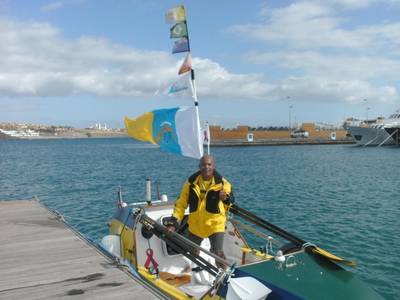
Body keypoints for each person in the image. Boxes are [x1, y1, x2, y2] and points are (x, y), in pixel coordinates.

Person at [166, 155, 234, 268]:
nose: (206, 167)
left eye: (209, 164)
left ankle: (224, 275)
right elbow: (181, 204)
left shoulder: (222, 183)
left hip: (215, 224)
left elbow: (231, 201)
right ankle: (194, 269)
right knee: (192, 251)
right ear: (199, 166)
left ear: (214, 166)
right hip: (195, 225)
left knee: (218, 253)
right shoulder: (190, 183)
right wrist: (173, 222)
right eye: (203, 165)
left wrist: (225, 198)